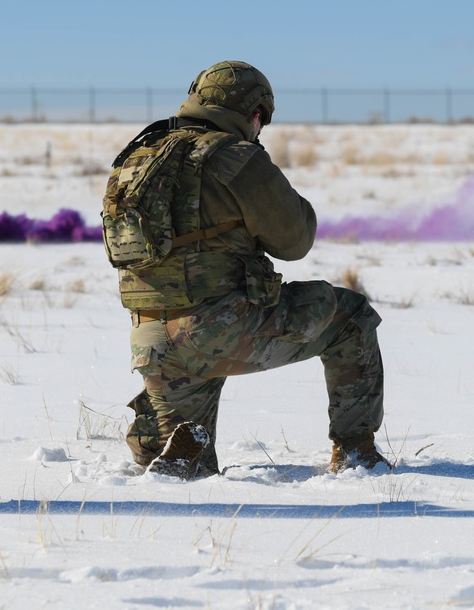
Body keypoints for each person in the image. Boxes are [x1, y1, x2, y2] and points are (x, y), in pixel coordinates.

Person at [102, 60, 388, 479]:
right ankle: (356, 452)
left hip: (152, 343)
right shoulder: (235, 157)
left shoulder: (136, 158)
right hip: (221, 330)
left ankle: (173, 453)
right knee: (350, 315)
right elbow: (295, 241)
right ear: (253, 114)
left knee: (189, 458)